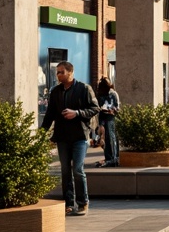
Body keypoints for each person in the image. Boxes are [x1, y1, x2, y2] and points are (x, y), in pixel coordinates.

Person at [41, 61, 99, 216]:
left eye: (61, 72)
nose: (58, 75)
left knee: (77, 169)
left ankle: (83, 202)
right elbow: (50, 114)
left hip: (80, 136)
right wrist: (42, 133)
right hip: (62, 137)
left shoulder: (84, 88)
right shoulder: (56, 91)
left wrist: (77, 113)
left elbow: (95, 108)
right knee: (65, 170)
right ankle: (68, 203)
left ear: (70, 72)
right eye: (57, 72)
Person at [94, 77, 120, 167]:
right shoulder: (100, 94)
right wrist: (100, 124)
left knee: (111, 137)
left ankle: (114, 157)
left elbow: (117, 108)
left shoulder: (113, 94)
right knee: (104, 138)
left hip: (111, 118)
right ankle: (109, 157)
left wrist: (112, 110)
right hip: (103, 117)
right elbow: (99, 108)